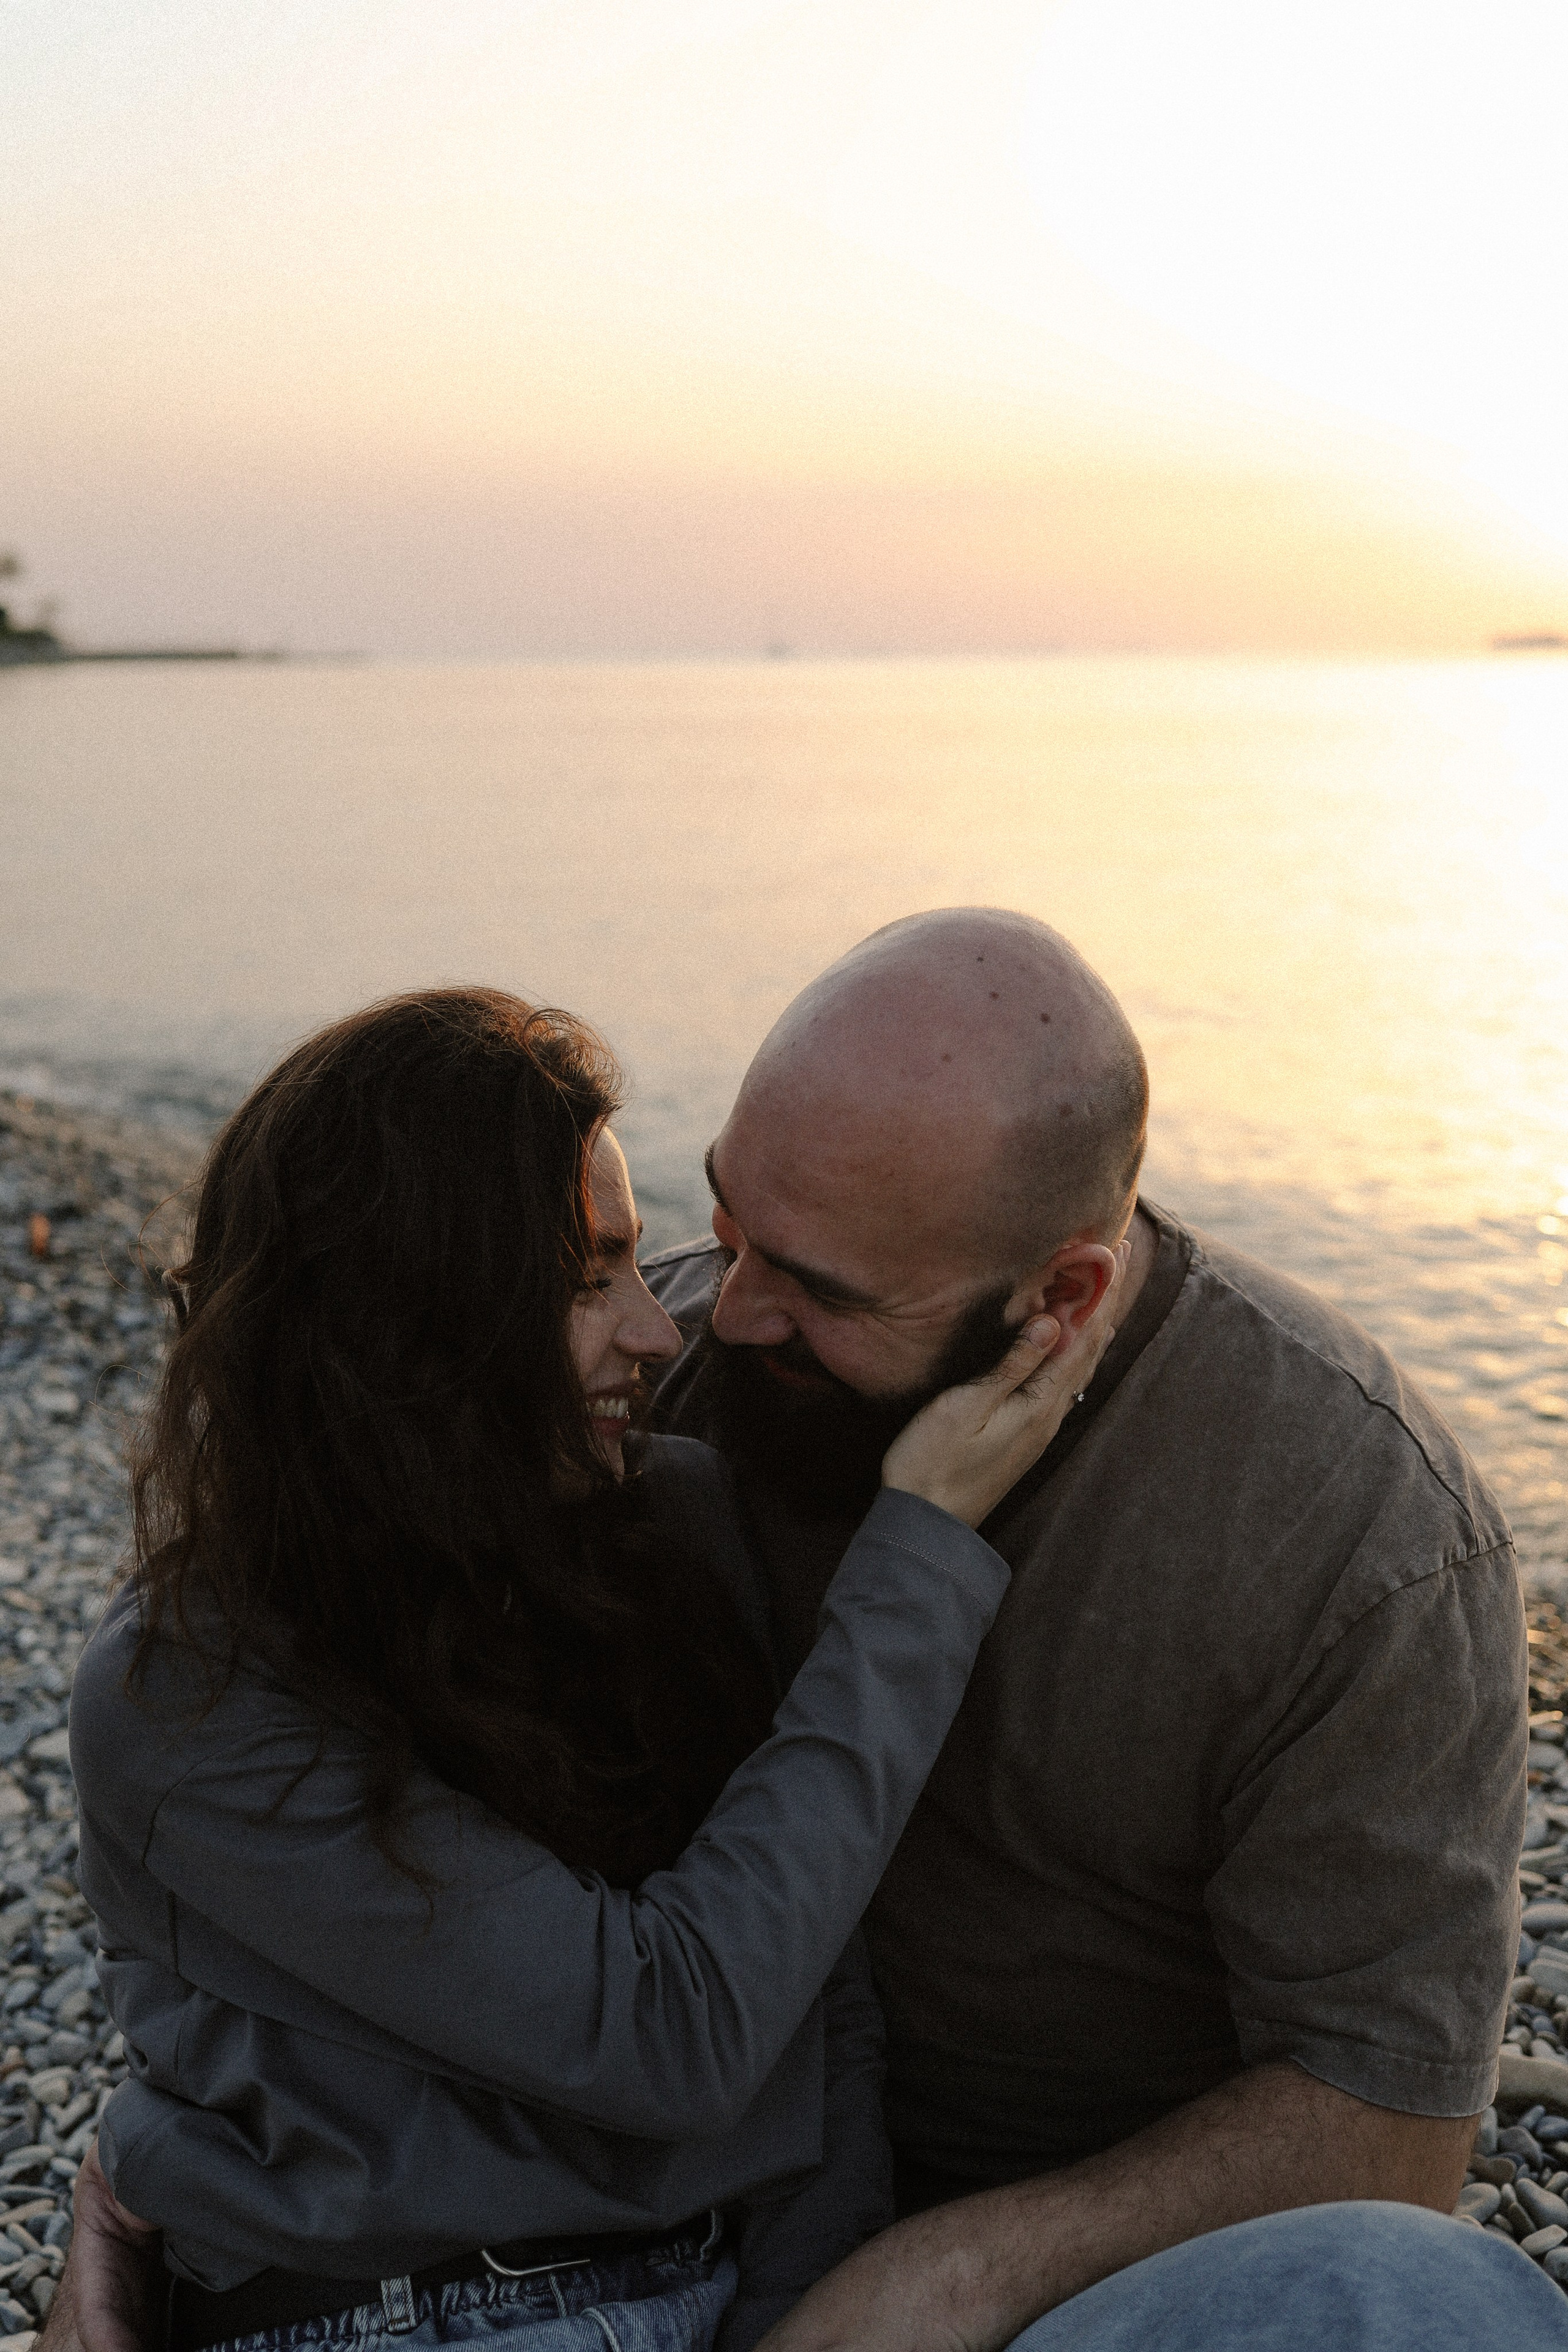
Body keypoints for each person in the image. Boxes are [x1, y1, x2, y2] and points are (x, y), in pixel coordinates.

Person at [62, 986, 1120, 2352]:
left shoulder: (666, 1525)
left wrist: (800, 2314)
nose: (660, 1332)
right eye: (583, 1281)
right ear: (403, 1327)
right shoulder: (188, 1689)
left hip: (721, 2299)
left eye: (634, 1261)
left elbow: (814, 1983)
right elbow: (666, 2036)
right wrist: (918, 1555)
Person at [636, 905, 1529, 2348]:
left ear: (1061, 1293)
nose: (727, 1311)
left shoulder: (1353, 1531)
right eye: (728, 1226)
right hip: (614, 2240)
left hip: (1066, 2285)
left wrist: (952, 2278)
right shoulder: (649, 1375)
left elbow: (1385, 2123)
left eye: (817, 1288)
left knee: (1431, 2303)